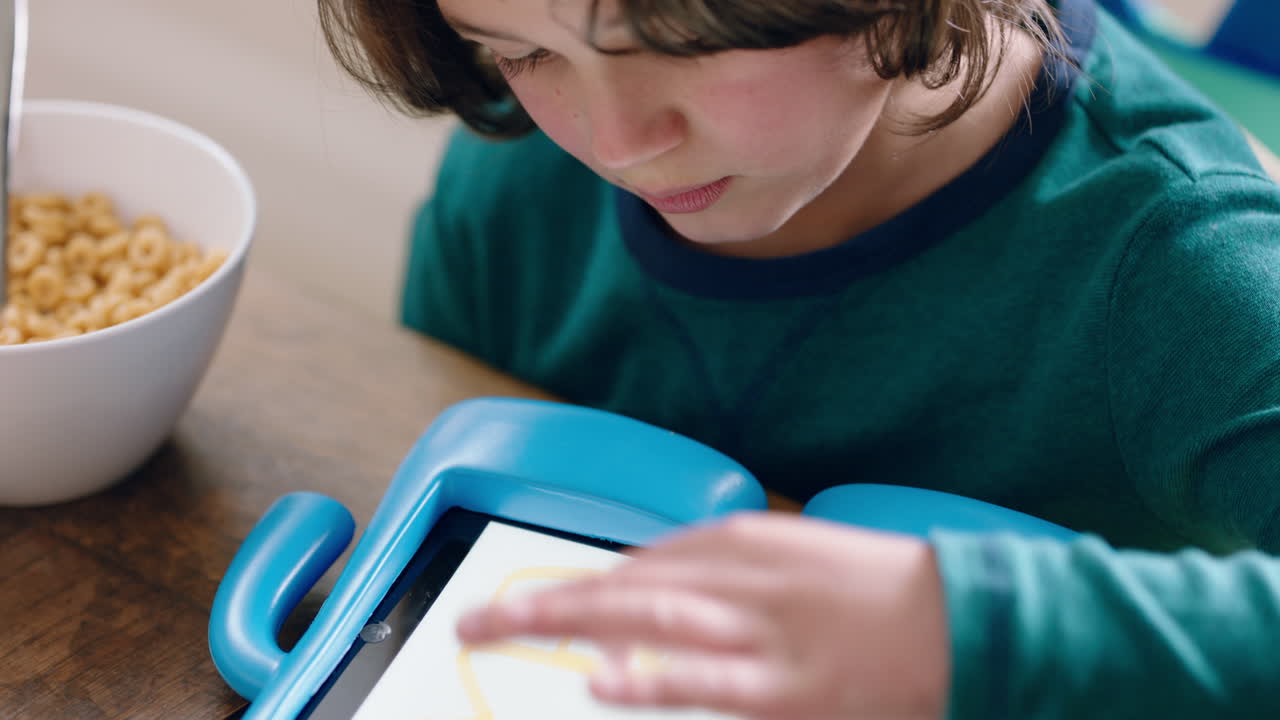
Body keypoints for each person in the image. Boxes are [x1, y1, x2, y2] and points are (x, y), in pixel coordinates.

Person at [317, 0, 1280, 717]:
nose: (619, 144)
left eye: (682, 40)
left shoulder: (1187, 263)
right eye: (525, 51)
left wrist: (960, 632)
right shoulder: (519, 172)